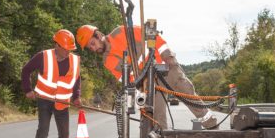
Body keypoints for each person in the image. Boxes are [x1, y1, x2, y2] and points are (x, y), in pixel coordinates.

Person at [75, 24, 217, 129]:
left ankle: (211, 125)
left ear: (99, 35)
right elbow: (125, 80)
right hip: (149, 82)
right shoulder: (107, 61)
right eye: (90, 48)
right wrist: (138, 91)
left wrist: (168, 56)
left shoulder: (123, 31)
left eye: (93, 43)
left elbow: (153, 35)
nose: (93, 49)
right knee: (157, 115)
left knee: (185, 89)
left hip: (164, 66)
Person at [21, 29, 82, 138]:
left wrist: (76, 96)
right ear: (56, 45)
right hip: (45, 100)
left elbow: (77, 79)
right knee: (43, 131)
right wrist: (28, 90)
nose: (68, 52)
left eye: (70, 49)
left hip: (62, 103)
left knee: (65, 134)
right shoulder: (43, 56)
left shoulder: (75, 60)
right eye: (65, 49)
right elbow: (26, 70)